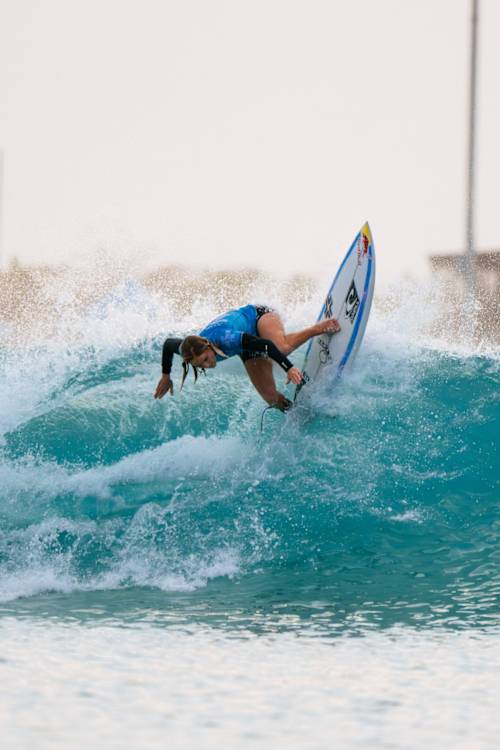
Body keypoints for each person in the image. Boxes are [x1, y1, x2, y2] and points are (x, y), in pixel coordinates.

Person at [154, 304, 340, 412]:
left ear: (208, 345)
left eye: (205, 359)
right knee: (271, 398)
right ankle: (298, 414)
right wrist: (165, 375)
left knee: (281, 349)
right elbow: (169, 344)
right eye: (200, 365)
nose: (208, 365)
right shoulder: (189, 349)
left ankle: (319, 328)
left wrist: (289, 368)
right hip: (245, 345)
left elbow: (265, 346)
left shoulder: (226, 338)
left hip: (258, 316)